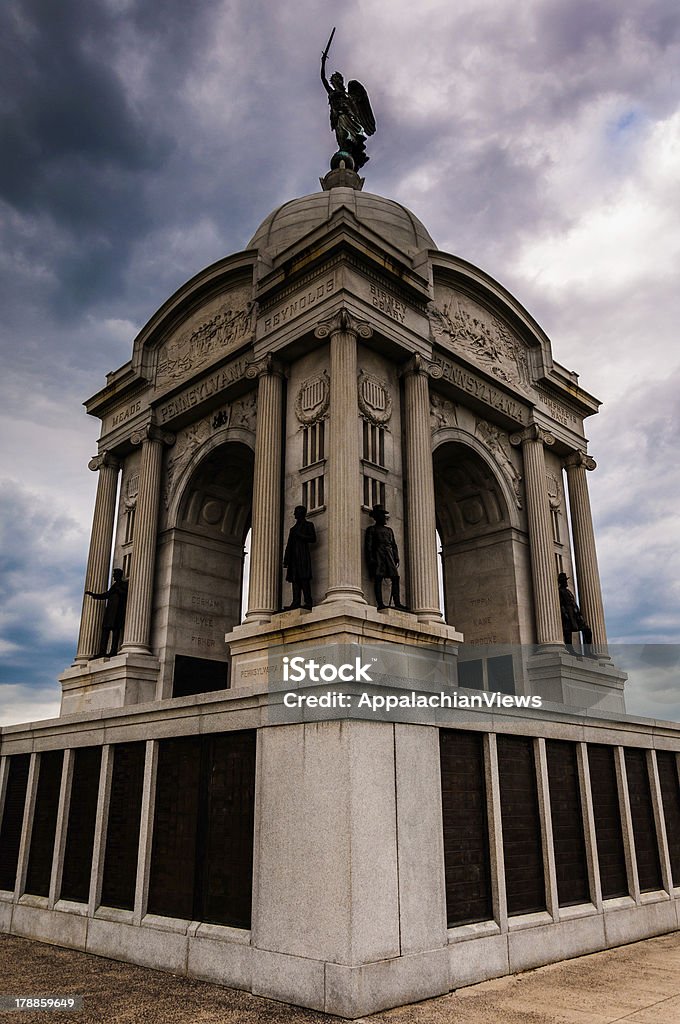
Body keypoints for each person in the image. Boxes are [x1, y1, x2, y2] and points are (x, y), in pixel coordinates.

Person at [320, 53, 376, 170]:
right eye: (334, 80)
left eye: (338, 79)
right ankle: (344, 148)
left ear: (341, 80)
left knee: (350, 136)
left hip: (350, 117)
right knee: (341, 135)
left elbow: (356, 106)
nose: (336, 81)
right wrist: (323, 62)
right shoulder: (331, 92)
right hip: (338, 117)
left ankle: (350, 150)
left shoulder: (349, 95)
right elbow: (323, 78)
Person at [365, 504, 408, 611]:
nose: (384, 518)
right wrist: (370, 558)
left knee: (395, 577)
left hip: (389, 555)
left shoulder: (389, 530)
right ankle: (380, 603)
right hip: (378, 554)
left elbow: (394, 544)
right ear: (377, 517)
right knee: (378, 577)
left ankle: (397, 602)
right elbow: (368, 546)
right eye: (382, 515)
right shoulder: (372, 529)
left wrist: (396, 556)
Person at [85, 568, 128, 657]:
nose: (113, 576)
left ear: (118, 575)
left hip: (117, 613)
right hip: (109, 613)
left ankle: (113, 651)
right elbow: (106, 595)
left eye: (114, 574)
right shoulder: (114, 586)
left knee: (115, 632)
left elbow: (124, 593)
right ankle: (102, 652)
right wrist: (93, 595)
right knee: (105, 631)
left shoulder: (123, 585)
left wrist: (118, 589)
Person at [283, 506, 317, 610]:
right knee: (295, 580)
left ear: (301, 513)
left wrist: (301, 536)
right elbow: (289, 545)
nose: (294, 514)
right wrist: (286, 560)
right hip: (293, 558)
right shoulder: (293, 529)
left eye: (296, 512)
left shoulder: (308, 525)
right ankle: (296, 601)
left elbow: (313, 538)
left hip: (303, 556)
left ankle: (308, 601)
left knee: (304, 578)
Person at [558, 572, 594, 657]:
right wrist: (566, 615)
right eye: (565, 580)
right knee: (567, 631)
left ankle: (588, 651)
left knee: (587, 630)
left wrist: (578, 614)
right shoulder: (561, 591)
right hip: (568, 614)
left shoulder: (568, 591)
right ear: (562, 582)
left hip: (575, 614)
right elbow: (562, 604)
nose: (566, 582)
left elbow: (573, 603)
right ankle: (570, 650)